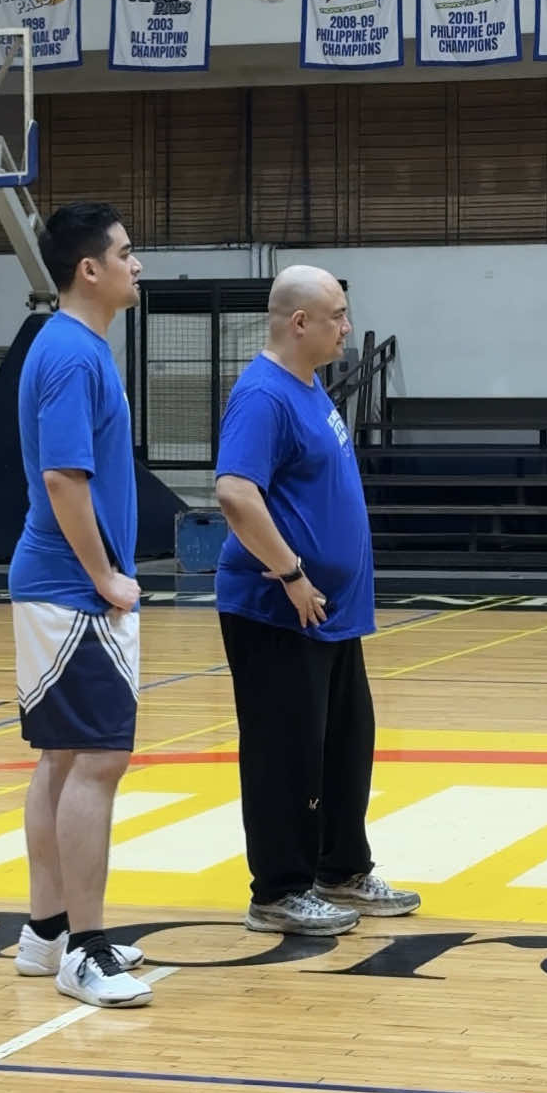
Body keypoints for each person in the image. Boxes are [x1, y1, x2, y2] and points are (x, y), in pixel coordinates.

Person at [215, 265, 421, 935]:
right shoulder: (263, 395)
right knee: (285, 752)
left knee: (343, 745)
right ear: (298, 322)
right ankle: (277, 888)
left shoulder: (311, 389)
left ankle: (340, 868)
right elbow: (235, 493)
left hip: (328, 615)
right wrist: (291, 574)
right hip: (278, 610)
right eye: (335, 314)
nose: (346, 326)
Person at [9, 200, 153, 1008]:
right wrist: (103, 576)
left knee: (62, 758)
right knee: (96, 759)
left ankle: (47, 931)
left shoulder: (71, 346)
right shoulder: (70, 353)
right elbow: (65, 479)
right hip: (70, 591)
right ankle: (85, 950)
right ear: (88, 269)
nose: (138, 265)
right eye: (127, 253)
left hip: (57, 588)